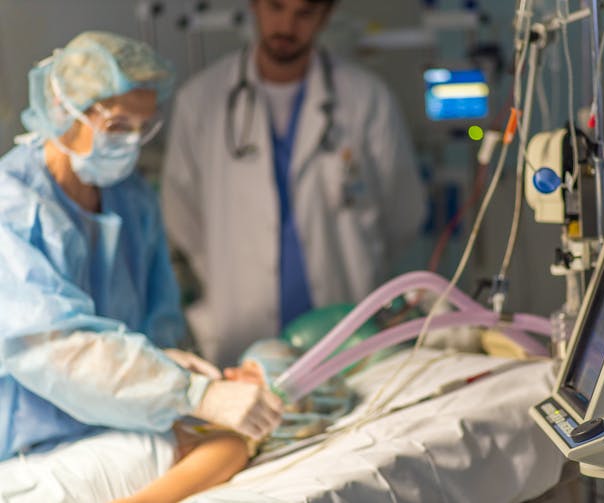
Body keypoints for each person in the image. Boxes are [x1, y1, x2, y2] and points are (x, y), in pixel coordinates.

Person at [0, 31, 281, 502]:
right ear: (62, 107)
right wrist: (191, 394)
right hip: (29, 444)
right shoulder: (12, 208)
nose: (130, 142)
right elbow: (54, 348)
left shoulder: (131, 199)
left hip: (124, 424)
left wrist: (179, 367)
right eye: (117, 125)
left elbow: (158, 322)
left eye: (142, 126)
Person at [162, 0, 427, 367]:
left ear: (326, 15)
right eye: (276, 7)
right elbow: (180, 214)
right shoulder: (200, 100)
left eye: (305, 13)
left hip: (345, 321)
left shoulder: (366, 99)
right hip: (241, 324)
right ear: (254, 5)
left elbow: (403, 211)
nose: (286, 26)